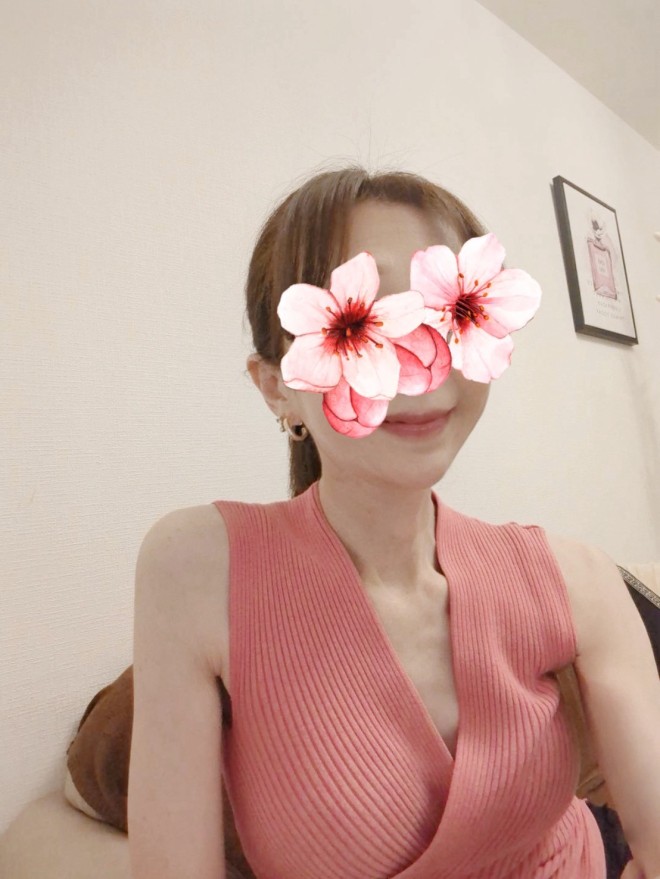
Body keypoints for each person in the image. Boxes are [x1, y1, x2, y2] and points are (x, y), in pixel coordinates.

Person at [127, 166, 660, 879]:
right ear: (276, 387)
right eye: (360, 325)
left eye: (450, 315)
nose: (422, 366)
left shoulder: (580, 580)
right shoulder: (194, 571)